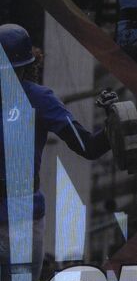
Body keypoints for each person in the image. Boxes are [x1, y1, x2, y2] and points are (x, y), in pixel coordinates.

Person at [1, 24, 115, 263]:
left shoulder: (40, 99)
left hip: (23, 222)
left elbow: (89, 147)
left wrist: (114, 124)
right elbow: (89, 147)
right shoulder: (40, 99)